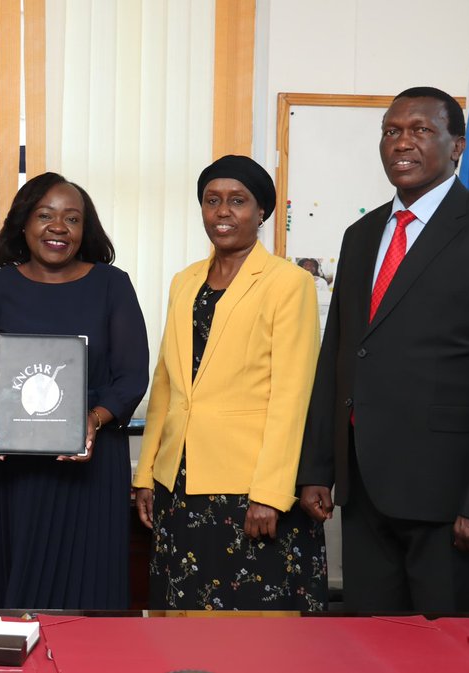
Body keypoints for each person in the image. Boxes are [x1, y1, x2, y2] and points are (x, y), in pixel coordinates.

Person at [298, 87, 469, 612]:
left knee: (449, 655)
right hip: (365, 494)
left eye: (421, 130)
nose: (401, 142)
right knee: (370, 651)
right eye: (392, 131)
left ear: (457, 145)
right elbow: (340, 358)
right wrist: (318, 467)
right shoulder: (361, 236)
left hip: (453, 500)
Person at [132, 155, 326, 611]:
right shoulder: (185, 282)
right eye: (212, 200)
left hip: (250, 488)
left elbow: (292, 395)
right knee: (180, 622)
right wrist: (145, 474)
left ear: (261, 212)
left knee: (253, 630)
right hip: (178, 482)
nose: (223, 211)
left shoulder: (288, 282)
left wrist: (271, 494)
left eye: (237, 201)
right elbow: (165, 385)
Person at [0, 172, 149, 609]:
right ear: (24, 224)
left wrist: (92, 421)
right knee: (4, 606)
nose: (58, 227)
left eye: (72, 218)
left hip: (91, 467)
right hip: (8, 475)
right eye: (45, 215)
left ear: (86, 230)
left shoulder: (112, 286)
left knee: (89, 598)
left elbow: (132, 377)